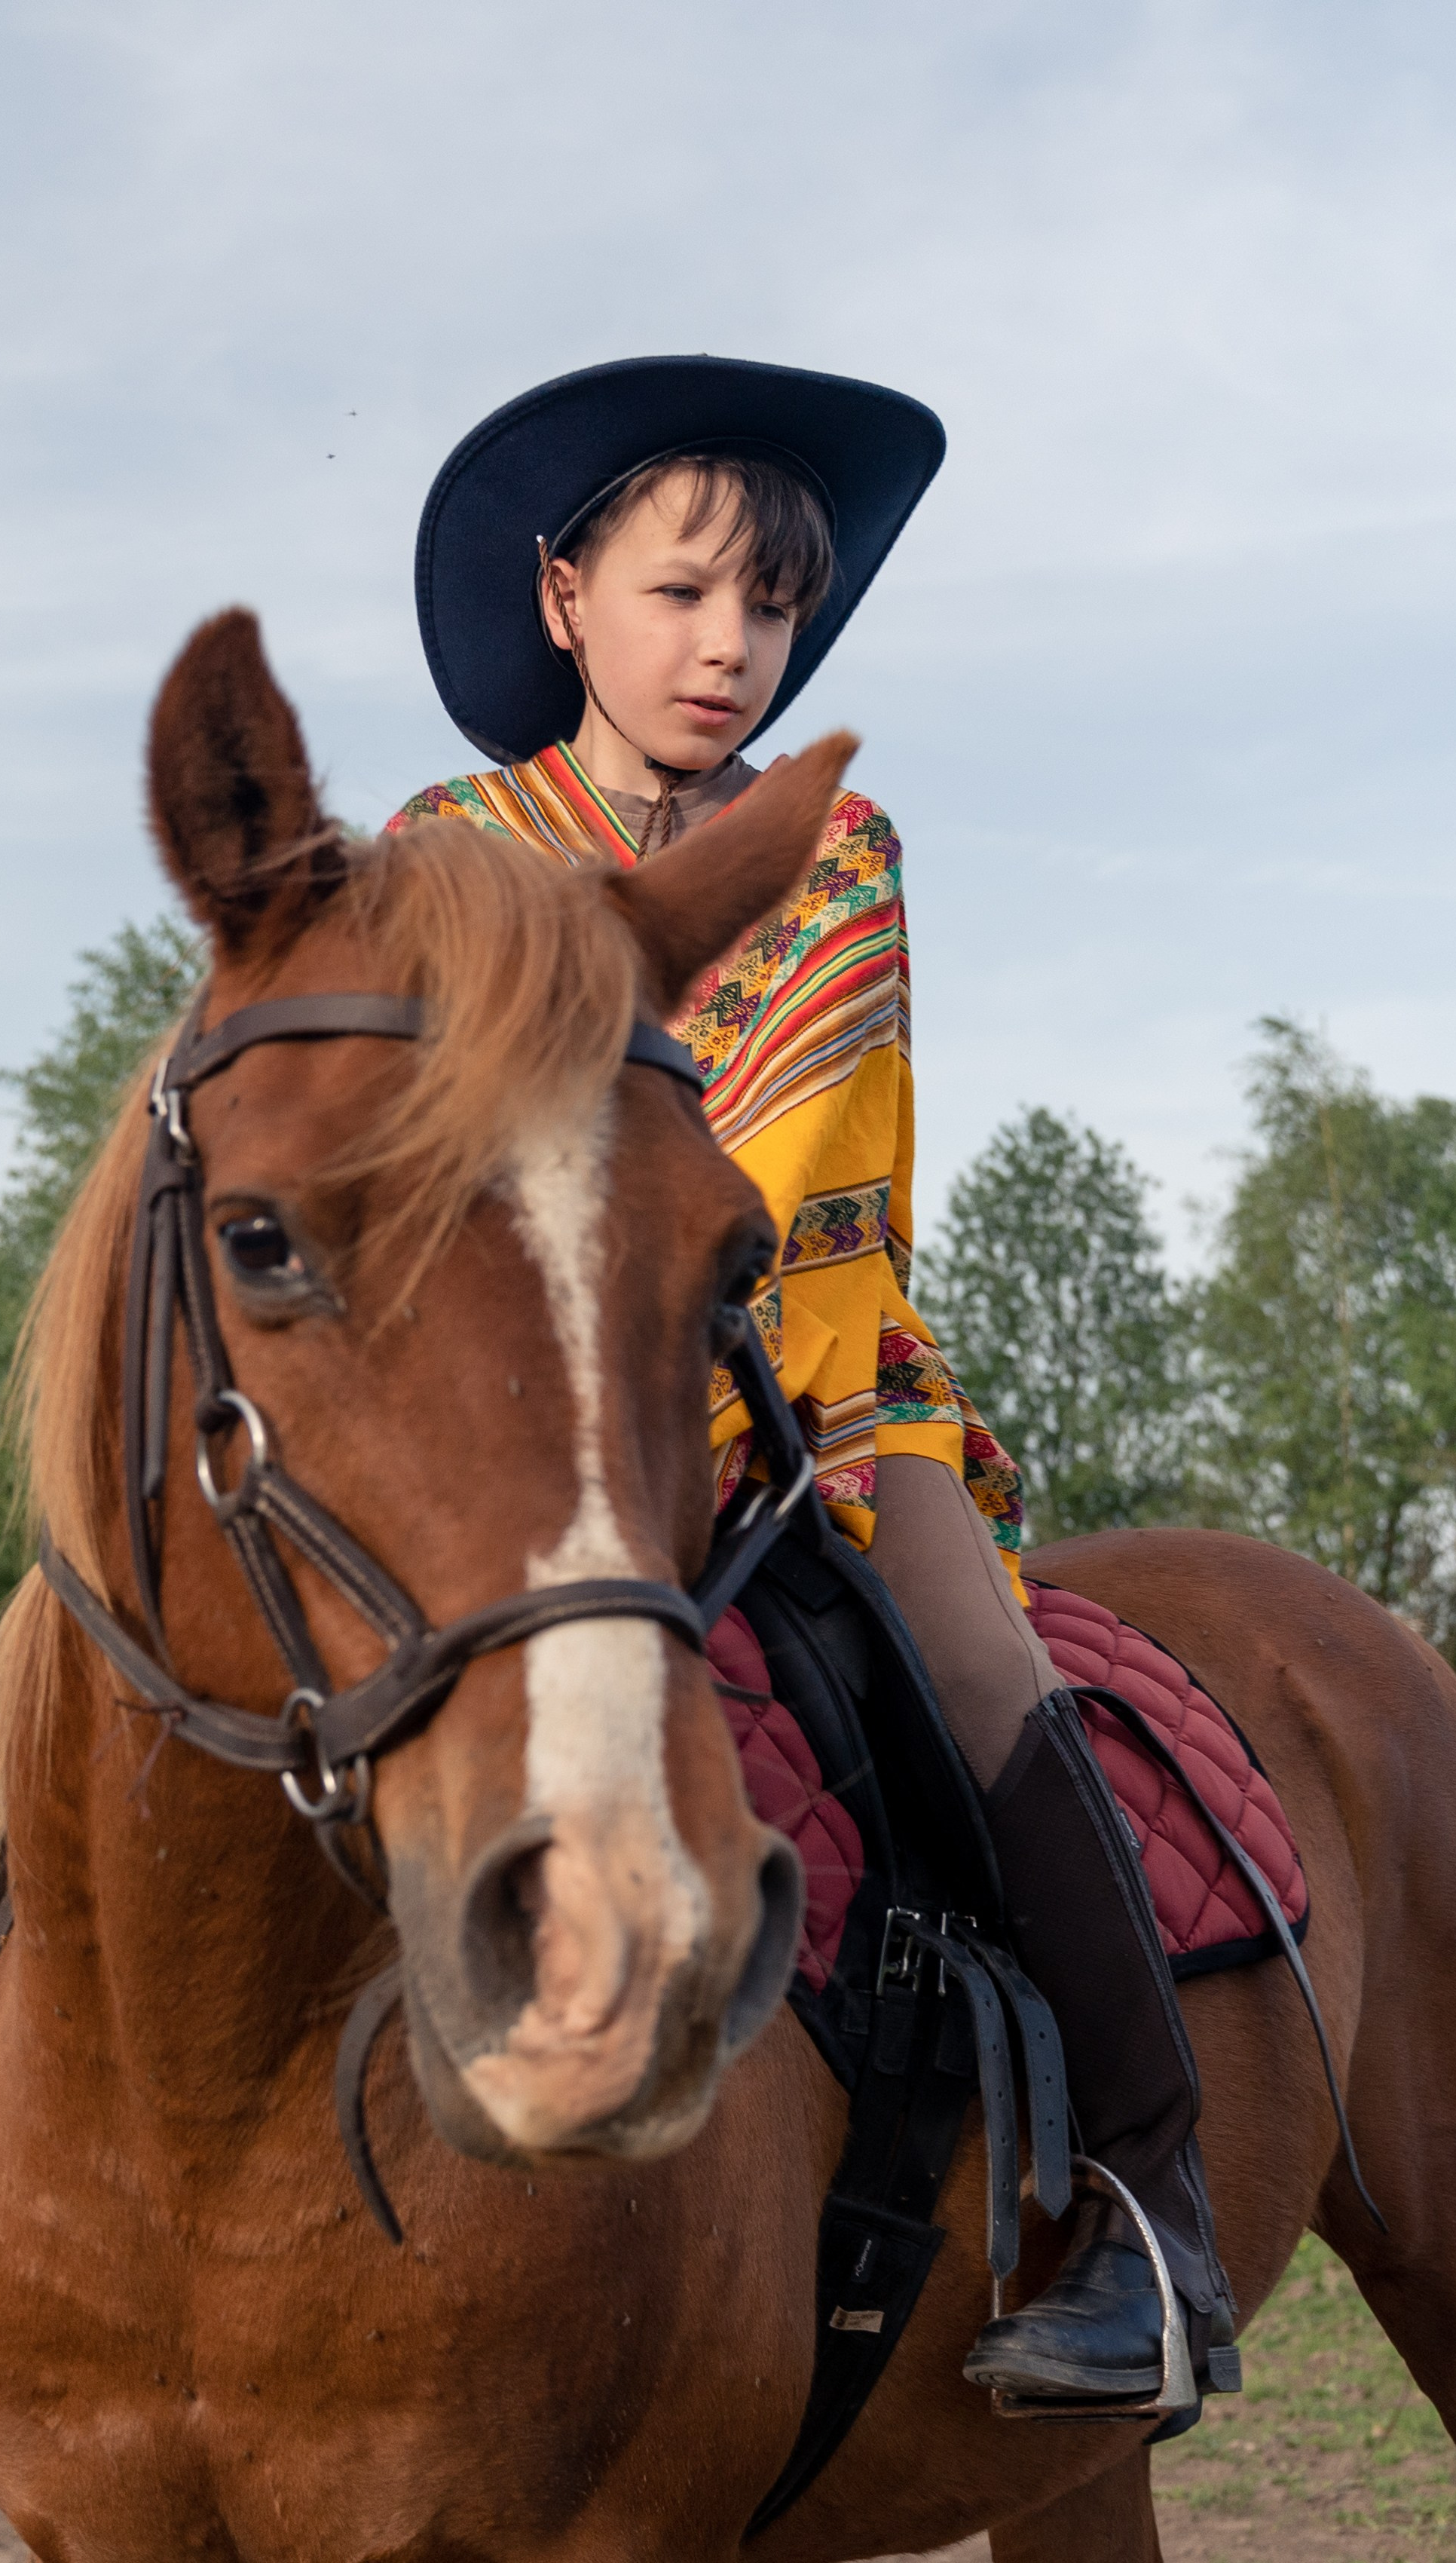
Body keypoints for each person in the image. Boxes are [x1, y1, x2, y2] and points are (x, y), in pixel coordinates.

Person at [389, 356, 1235, 2418]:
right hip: (506, 1414)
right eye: (684, 593)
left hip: (812, 1397)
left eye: (768, 611)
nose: (731, 646)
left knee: (983, 1682)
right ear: (564, 596)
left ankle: (1155, 2212)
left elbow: (782, 1160)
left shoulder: (831, 847)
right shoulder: (441, 858)